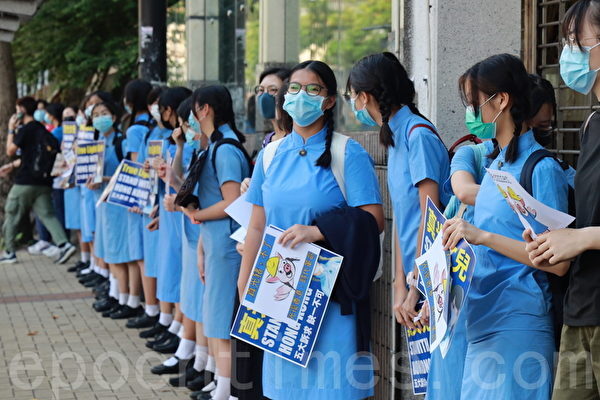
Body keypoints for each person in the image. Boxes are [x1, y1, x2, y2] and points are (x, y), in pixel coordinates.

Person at [238, 60, 383, 400]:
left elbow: (373, 218)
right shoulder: (270, 154)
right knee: (284, 390)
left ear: (329, 100)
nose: (302, 96)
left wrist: (318, 232)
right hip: (278, 292)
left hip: (329, 295)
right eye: (294, 88)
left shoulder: (347, 152)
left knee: (331, 390)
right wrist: (244, 284)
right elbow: (257, 223)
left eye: (313, 89)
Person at [440, 53, 571, 398]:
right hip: (481, 318)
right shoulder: (496, 165)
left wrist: (482, 235)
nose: (470, 112)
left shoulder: (540, 169)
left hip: (518, 321)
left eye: (474, 102)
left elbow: (558, 263)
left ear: (501, 100)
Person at [525, 2, 600, 398]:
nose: (567, 52)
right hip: (582, 307)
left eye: (575, 40)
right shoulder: (592, 123)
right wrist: (554, 245)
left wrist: (585, 238)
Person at [346, 52, 450, 329]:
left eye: (353, 95)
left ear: (365, 97)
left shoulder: (418, 136)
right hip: (413, 284)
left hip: (434, 283)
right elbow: (403, 217)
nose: (353, 104)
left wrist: (416, 285)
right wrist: (399, 283)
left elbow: (431, 218)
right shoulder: (394, 135)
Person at [180, 85, 251, 400]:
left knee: (223, 319)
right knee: (216, 315)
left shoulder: (224, 149)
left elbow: (232, 201)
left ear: (204, 109)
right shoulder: (214, 146)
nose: (192, 118)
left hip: (227, 245)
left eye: (194, 110)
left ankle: (226, 391)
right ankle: (223, 386)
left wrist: (197, 215)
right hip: (215, 243)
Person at [1, 96, 76, 264]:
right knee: (48, 214)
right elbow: (32, 155)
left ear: (21, 110)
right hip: (44, 182)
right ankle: (64, 244)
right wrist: (13, 166)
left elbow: (10, 150)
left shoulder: (26, 129)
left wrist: (10, 129)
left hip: (25, 181)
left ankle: (9, 252)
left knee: (12, 212)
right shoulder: (42, 129)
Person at [126, 85, 169, 330]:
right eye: (154, 103)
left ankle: (164, 318)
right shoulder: (151, 132)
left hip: (164, 208)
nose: (156, 109)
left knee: (160, 262)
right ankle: (156, 311)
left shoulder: (172, 138)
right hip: (150, 204)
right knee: (150, 260)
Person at [28, 102, 68, 255]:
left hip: (57, 178)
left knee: (55, 211)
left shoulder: (57, 133)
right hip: (56, 177)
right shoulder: (52, 131)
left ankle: (59, 243)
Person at [255, 67, 291, 146]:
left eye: (273, 89)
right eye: (261, 90)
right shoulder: (268, 140)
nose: (264, 96)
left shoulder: (295, 140)